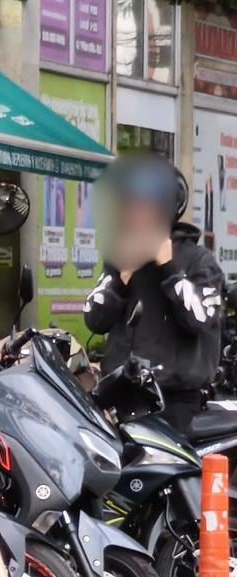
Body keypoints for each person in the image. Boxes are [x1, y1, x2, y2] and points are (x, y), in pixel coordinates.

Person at [83, 153, 224, 433]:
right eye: (132, 205)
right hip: (121, 397)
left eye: (147, 205)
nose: (138, 213)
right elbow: (94, 319)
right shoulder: (121, 256)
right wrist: (122, 276)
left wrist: (168, 268)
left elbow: (198, 319)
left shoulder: (198, 260)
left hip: (174, 402)